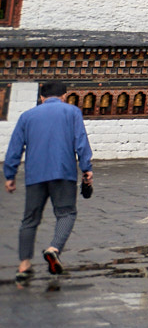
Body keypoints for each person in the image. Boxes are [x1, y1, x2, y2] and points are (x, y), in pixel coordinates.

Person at [3, 81, 91, 283]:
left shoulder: (27, 116)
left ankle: (24, 265)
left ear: (41, 98)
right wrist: (87, 168)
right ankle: (53, 249)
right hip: (63, 172)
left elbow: (15, 146)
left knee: (29, 220)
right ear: (64, 96)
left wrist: (10, 175)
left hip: (35, 174)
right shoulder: (72, 112)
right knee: (66, 213)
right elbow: (81, 141)